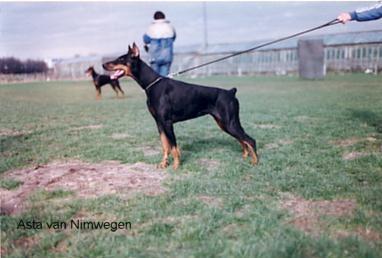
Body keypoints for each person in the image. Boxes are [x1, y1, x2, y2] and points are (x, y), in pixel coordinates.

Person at [143, 11, 176, 77]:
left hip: (154, 57)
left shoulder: (151, 27)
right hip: (167, 56)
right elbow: (174, 37)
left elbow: (146, 40)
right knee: (164, 79)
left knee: (154, 78)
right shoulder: (170, 27)